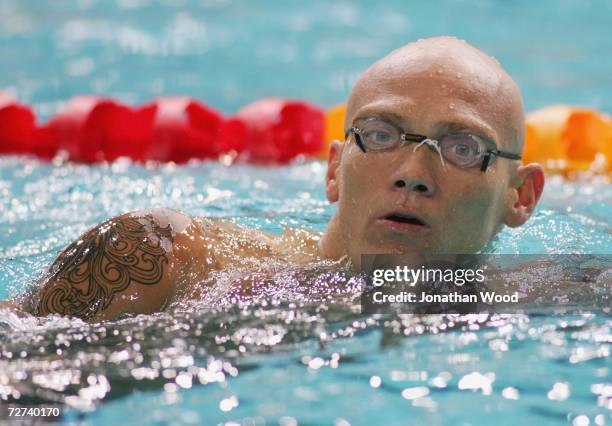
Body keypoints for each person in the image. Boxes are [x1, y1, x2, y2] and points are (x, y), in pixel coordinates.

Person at [4, 36, 544, 322]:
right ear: (334, 170)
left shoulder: (544, 297)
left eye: (461, 148)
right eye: (380, 135)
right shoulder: (163, 261)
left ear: (521, 197)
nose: (412, 176)